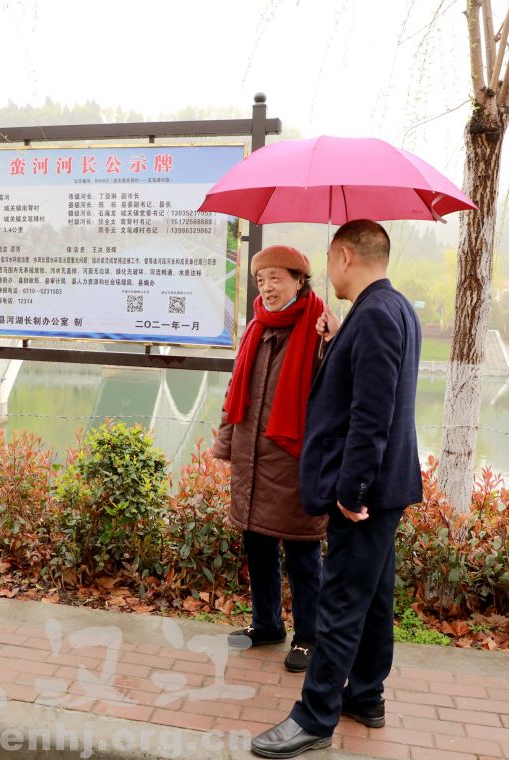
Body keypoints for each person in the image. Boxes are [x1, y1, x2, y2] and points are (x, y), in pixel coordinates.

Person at [250, 220, 422, 758]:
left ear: (345, 256)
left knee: (342, 602)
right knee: (372, 599)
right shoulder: (392, 309)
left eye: (329, 260)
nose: (329, 272)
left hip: (366, 494)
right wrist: (333, 340)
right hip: (386, 487)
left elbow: (372, 415)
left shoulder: (373, 316)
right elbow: (367, 389)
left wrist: (352, 492)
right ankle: (366, 695)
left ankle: (315, 716)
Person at [213, 244, 327, 673]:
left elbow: (335, 397)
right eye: (261, 280)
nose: (268, 287)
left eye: (277, 278)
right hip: (252, 458)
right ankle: (267, 625)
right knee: (256, 543)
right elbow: (234, 392)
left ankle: (308, 636)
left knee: (302, 552)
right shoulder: (256, 327)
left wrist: (331, 340)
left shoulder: (320, 329)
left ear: (300, 280)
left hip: (295, 461)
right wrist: (227, 443)